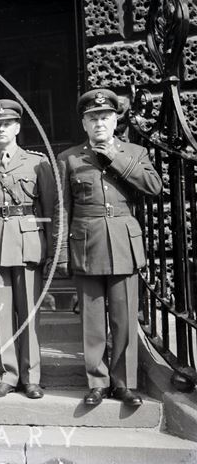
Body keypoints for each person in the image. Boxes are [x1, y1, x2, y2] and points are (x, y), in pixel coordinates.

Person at [53, 89, 162, 406]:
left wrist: (115, 157)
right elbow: (63, 210)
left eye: (104, 117)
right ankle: (97, 382)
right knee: (92, 319)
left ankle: (124, 383)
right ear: (84, 124)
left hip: (124, 244)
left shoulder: (135, 152)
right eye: (92, 118)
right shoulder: (69, 158)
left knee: (124, 318)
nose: (99, 123)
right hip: (86, 245)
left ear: (115, 120)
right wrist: (61, 255)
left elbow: (154, 187)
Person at [0, 99, 55, 400]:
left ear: (17, 127)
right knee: (3, 314)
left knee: (29, 312)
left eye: (7, 124)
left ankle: (32, 377)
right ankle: (7, 374)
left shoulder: (36, 162)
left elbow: (50, 209)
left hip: (29, 242)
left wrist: (54, 250)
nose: (1, 128)